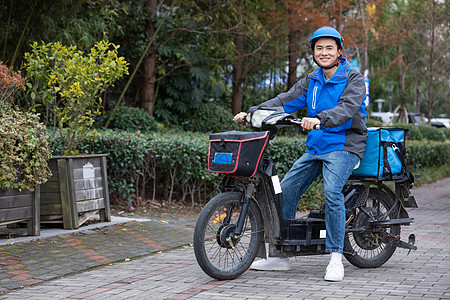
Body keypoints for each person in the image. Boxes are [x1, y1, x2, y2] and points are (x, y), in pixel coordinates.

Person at [233, 26, 367, 281]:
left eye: (329, 48)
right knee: (286, 190)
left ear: (339, 51)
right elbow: (284, 101)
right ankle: (280, 256)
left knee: (332, 192)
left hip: (344, 146)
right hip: (316, 146)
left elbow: (347, 108)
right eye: (319, 48)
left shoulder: (353, 78)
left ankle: (336, 257)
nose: (324, 52)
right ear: (313, 53)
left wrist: (319, 119)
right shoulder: (311, 80)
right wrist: (252, 112)